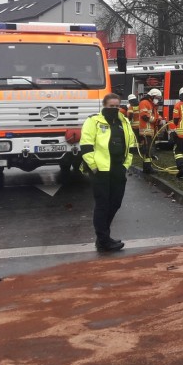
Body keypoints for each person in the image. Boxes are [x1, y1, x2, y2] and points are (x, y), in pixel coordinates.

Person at [80, 93, 136, 253]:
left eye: (117, 106)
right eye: (111, 106)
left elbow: (130, 145)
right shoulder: (93, 121)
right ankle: (104, 240)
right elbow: (86, 146)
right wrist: (94, 166)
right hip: (100, 170)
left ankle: (102, 239)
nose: (115, 109)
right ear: (104, 106)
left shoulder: (123, 121)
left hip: (118, 168)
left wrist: (126, 165)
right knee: (102, 205)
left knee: (115, 203)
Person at [137, 88, 163, 174]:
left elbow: (157, 115)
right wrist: (156, 120)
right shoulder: (144, 103)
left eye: (159, 98)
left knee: (149, 150)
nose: (158, 100)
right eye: (157, 98)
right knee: (147, 150)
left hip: (151, 132)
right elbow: (145, 116)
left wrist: (160, 119)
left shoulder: (152, 105)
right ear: (152, 96)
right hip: (145, 131)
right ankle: (147, 169)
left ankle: (148, 168)